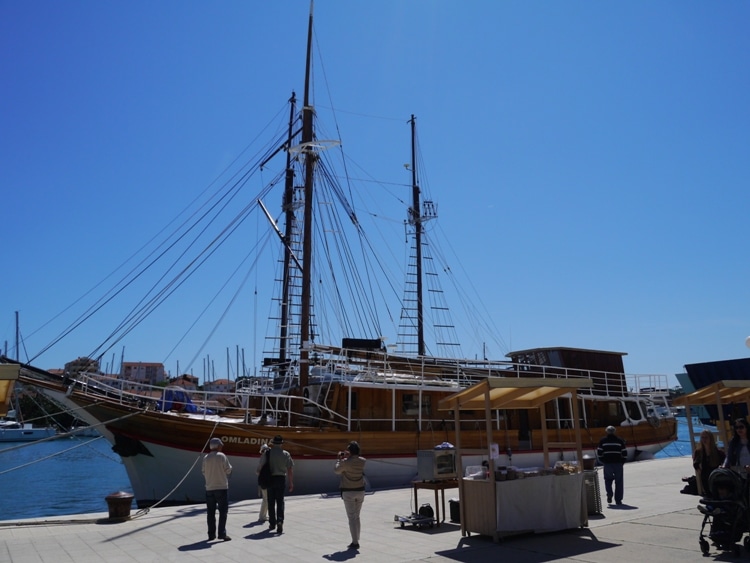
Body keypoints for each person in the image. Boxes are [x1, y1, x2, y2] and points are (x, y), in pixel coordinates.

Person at [257, 434, 294, 534]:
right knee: (280, 501)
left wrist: (260, 478)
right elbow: (290, 469)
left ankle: (272, 523)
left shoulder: (267, 453)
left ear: (273, 443)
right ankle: (280, 521)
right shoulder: (286, 454)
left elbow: (260, 467)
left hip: (270, 479)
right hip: (281, 478)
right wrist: (291, 483)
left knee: (271, 501)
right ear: (281, 444)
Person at [334, 441, 366, 550]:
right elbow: (356, 460)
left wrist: (339, 459)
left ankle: (355, 542)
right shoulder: (363, 461)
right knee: (357, 516)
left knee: (351, 517)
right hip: (360, 490)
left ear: (350, 451)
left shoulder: (345, 462)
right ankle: (357, 538)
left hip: (348, 491)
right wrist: (349, 456)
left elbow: (337, 471)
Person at [202, 437, 233, 541]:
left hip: (209, 488)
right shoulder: (221, 456)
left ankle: (211, 534)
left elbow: (203, 471)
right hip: (221, 487)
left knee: (210, 513)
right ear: (218, 446)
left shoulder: (206, 457)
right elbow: (228, 470)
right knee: (223, 512)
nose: (222, 447)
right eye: (221, 445)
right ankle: (222, 533)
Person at [597, 425, 627, 505]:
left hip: (607, 464)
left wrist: (603, 461)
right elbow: (624, 453)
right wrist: (622, 462)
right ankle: (618, 500)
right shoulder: (620, 440)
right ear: (614, 431)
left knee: (608, 480)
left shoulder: (603, 440)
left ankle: (609, 494)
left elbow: (599, 453)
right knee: (619, 482)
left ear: (606, 431)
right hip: (618, 463)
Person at [693, 429, 725, 496]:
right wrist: (699, 471)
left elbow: (724, 461)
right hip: (705, 476)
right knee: (708, 494)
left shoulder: (718, 452)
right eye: (702, 437)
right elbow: (695, 463)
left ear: (711, 438)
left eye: (706, 437)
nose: (704, 440)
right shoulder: (698, 452)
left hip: (716, 476)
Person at [256, 443, 270, 522]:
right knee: (266, 499)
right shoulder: (269, 456)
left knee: (265, 498)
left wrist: (258, 473)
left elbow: (258, 470)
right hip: (269, 480)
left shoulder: (263, 456)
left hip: (263, 480)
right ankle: (263, 515)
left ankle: (262, 516)